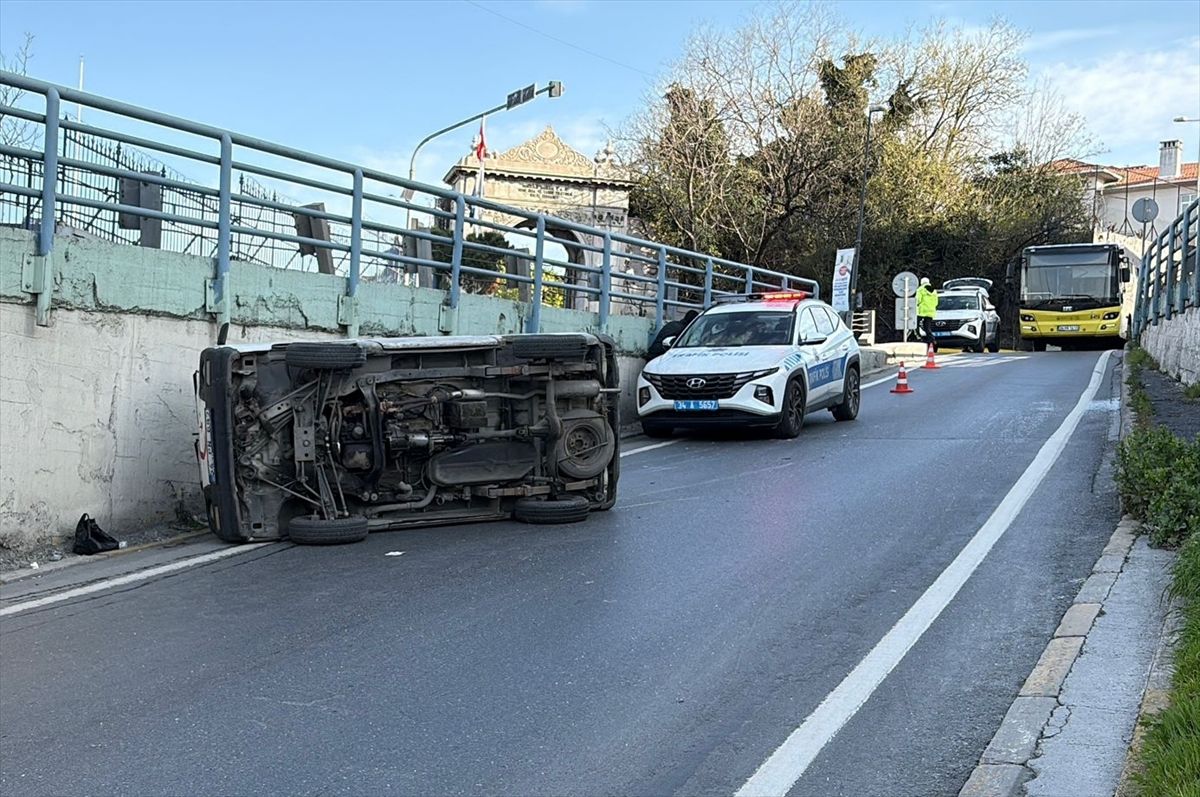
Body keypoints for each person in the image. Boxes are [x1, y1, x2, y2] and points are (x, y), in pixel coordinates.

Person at [916, 277, 939, 352]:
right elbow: (936, 302)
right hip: (931, 311)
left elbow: (918, 300)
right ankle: (932, 340)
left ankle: (918, 337)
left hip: (922, 311)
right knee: (927, 328)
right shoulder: (934, 291)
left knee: (915, 325)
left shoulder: (920, 289)